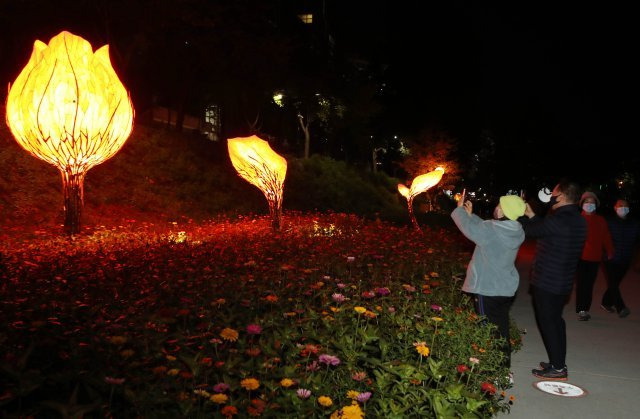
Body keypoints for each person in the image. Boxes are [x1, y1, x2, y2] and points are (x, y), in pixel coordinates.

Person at [451, 191, 526, 373]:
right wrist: (472, 216)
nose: (496, 207)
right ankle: (503, 368)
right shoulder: (516, 230)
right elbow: (485, 230)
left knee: (488, 332)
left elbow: (472, 230)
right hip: (504, 290)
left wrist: (460, 211)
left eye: (499, 205)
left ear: (502, 212)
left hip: (487, 289)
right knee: (501, 329)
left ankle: (492, 370)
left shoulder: (491, 229)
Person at [520, 179, 587, 380]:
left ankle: (558, 368)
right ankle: (557, 361)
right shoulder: (577, 219)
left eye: (555, 194)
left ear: (564, 196)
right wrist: (531, 214)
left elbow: (530, 231)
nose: (552, 198)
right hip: (562, 281)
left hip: (548, 281)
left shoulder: (559, 219)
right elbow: (544, 228)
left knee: (549, 323)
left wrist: (520, 215)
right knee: (556, 322)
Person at [575, 191, 614, 321]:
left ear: (596, 205)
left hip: (595, 258)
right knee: (581, 284)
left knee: (589, 284)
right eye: (587, 202)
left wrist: (609, 251)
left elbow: (606, 236)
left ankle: (585, 308)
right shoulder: (577, 219)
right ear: (582, 204)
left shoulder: (600, 220)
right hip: (579, 257)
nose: (589, 204)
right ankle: (581, 310)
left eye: (592, 202)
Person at [602, 199, 640, 318]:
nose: (623, 208)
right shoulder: (608, 222)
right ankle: (621, 307)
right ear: (615, 208)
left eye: (625, 206)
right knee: (613, 282)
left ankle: (606, 302)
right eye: (620, 206)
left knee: (615, 283)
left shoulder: (635, 224)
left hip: (626, 259)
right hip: (610, 258)